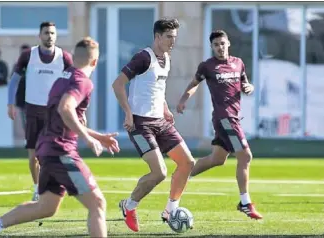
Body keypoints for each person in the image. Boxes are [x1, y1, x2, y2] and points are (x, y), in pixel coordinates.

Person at [0, 37, 120, 238]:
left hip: (46, 149)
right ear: (95, 62)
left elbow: (64, 117)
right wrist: (87, 139)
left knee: (46, 207)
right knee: (97, 203)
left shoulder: (61, 79)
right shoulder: (82, 81)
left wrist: (97, 136)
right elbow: (65, 108)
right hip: (61, 151)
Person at [112, 18, 195, 232]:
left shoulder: (166, 58)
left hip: (160, 121)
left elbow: (157, 88)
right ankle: (129, 206)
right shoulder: (142, 57)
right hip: (140, 124)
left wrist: (165, 109)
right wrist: (128, 113)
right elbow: (118, 84)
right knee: (159, 173)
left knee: (187, 162)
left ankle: (170, 210)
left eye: (175, 38)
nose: (172, 42)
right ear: (157, 36)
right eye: (169, 37)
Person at [176, 30, 263, 220]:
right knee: (245, 156)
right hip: (225, 118)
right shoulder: (207, 66)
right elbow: (193, 83)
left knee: (217, 159)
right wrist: (183, 99)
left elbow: (246, 84)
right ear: (212, 47)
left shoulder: (238, 63)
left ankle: (183, 175)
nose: (220, 47)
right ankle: (245, 202)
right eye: (216, 45)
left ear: (228, 43)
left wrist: (250, 88)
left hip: (233, 118)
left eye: (222, 43)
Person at [7, 22, 74, 201]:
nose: (49, 36)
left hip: (55, 112)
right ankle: (37, 188)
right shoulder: (28, 56)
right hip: (33, 111)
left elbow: (74, 83)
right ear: (40, 35)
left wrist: (75, 108)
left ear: (56, 35)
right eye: (46, 33)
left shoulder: (64, 57)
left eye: (52, 33)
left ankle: (55, 185)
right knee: (33, 155)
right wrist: (10, 103)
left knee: (57, 152)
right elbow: (14, 80)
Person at [13, 44, 31, 131]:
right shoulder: (17, 66)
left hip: (34, 96)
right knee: (24, 118)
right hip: (22, 95)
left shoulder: (35, 65)